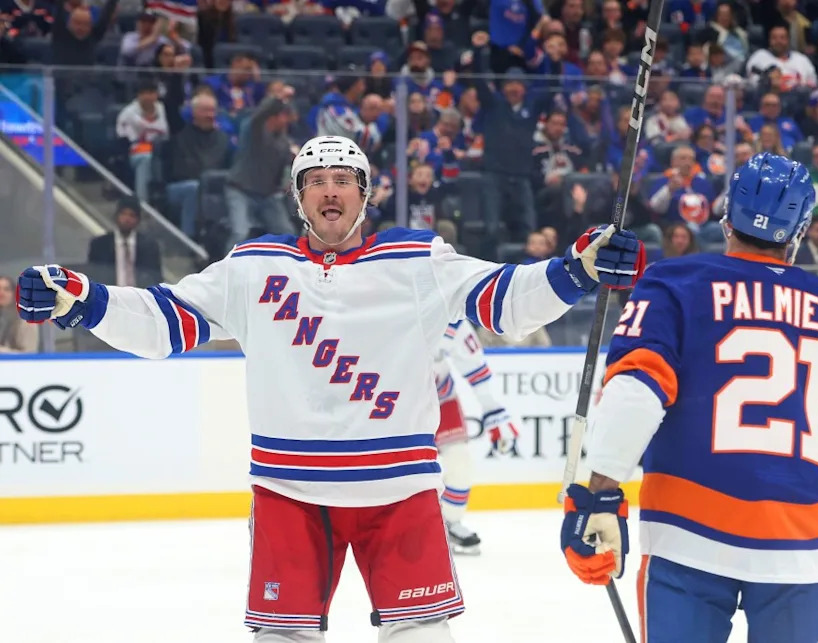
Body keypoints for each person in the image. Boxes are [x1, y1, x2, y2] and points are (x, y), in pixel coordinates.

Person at [16, 135, 643, 643]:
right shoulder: (253, 266)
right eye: (316, 180)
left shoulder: (418, 260)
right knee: (282, 639)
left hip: (400, 491)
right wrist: (83, 300)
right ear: (299, 197)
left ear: (364, 194)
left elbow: (504, 299)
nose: (330, 190)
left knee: (422, 635)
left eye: (344, 179)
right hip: (289, 492)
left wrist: (575, 271)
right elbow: (162, 322)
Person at [560, 153, 818, 642]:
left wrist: (601, 494)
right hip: (806, 547)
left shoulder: (673, 283)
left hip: (688, 536)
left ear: (727, 217)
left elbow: (637, 391)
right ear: (799, 231)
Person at [433, 319, 519, 554]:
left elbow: (474, 364)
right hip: (393, 400)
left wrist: (493, 409)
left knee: (460, 462)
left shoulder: (449, 313)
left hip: (440, 397)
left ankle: (449, 523)